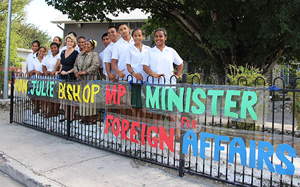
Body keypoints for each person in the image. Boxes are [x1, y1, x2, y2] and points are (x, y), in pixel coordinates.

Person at [142, 28, 184, 141]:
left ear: (165, 37)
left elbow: (180, 63)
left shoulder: (170, 51)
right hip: (155, 86)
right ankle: (158, 133)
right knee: (156, 112)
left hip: (170, 86)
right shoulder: (150, 51)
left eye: (160, 36)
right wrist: (154, 74)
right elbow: (145, 66)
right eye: (156, 36)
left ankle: (174, 135)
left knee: (172, 112)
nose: (158, 38)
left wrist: (178, 75)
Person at [125, 28, 151, 137]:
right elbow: (128, 65)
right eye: (135, 35)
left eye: (139, 35)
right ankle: (136, 127)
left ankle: (144, 129)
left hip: (146, 82)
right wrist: (133, 73)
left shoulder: (148, 49)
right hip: (134, 81)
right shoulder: (129, 49)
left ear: (143, 36)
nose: (137, 38)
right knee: (135, 107)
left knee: (145, 107)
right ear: (132, 37)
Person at [74, 38, 101, 124]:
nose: (85, 45)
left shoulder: (94, 54)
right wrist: (76, 73)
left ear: (92, 46)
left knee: (90, 98)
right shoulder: (80, 55)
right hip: (81, 80)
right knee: (82, 98)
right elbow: (75, 65)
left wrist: (85, 72)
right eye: (85, 44)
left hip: (90, 79)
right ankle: (84, 116)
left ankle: (92, 117)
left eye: (88, 44)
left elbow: (95, 65)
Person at [55, 34, 79, 122]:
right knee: (62, 97)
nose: (69, 43)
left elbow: (76, 67)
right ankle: (65, 115)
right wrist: (59, 71)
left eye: (71, 41)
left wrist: (68, 72)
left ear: (74, 43)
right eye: (68, 41)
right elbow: (62, 64)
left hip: (70, 77)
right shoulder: (63, 52)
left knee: (70, 97)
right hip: (62, 77)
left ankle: (71, 116)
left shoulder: (76, 53)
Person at [42, 42, 61, 117]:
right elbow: (43, 66)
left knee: (56, 96)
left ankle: (55, 112)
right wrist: (45, 72)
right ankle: (49, 112)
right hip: (48, 79)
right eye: (52, 48)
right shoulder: (48, 57)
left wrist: (54, 71)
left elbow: (60, 66)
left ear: (58, 48)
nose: (53, 49)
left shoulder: (60, 56)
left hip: (56, 78)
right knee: (49, 96)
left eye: (55, 47)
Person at [28, 46, 46, 114]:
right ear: (38, 51)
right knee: (34, 95)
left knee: (42, 95)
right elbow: (30, 71)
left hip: (43, 80)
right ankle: (36, 107)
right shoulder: (34, 59)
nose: (42, 53)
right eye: (40, 51)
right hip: (35, 79)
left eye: (43, 51)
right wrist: (36, 72)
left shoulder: (45, 59)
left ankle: (43, 109)